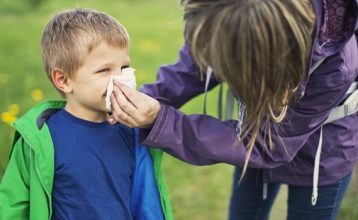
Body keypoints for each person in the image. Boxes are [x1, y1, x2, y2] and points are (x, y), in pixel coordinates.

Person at [108, 0, 358, 219]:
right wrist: (139, 100)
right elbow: (195, 63)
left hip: (323, 153)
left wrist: (162, 121)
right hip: (251, 131)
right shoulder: (226, 13)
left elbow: (266, 145)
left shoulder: (335, 67)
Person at [0, 8, 172, 220]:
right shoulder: (40, 139)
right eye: (104, 70)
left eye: (124, 67)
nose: (120, 79)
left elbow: (146, 202)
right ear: (64, 80)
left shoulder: (132, 132)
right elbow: (13, 205)